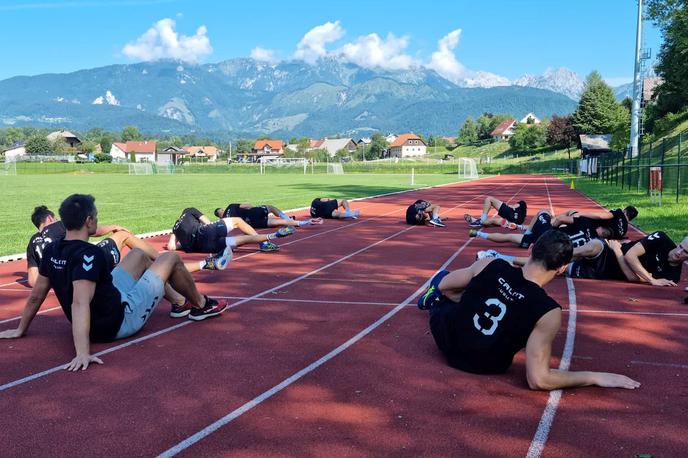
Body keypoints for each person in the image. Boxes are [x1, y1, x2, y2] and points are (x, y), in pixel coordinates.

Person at [0, 194, 228, 372]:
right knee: (170, 258)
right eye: (96, 217)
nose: (97, 220)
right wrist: (82, 352)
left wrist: (21, 329)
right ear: (89, 221)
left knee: (138, 255)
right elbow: (80, 303)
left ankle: (178, 302)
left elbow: (37, 294)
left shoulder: (52, 250)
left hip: (108, 301)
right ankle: (200, 305)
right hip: (117, 322)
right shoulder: (89, 254)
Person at [416, 230, 640, 391]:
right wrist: (594, 376)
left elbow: (446, 287)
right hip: (485, 365)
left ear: (532, 249)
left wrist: (474, 296)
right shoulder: (549, 311)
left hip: (447, 339)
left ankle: (432, 300)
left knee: (446, 286)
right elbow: (539, 380)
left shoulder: (492, 263)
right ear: (562, 268)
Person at [26, 206, 214, 289]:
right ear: (50, 218)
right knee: (125, 239)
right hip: (84, 267)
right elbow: (94, 230)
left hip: (64, 278)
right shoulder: (58, 225)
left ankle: (177, 297)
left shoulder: (33, 244)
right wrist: (115, 227)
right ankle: (161, 259)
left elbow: (33, 282)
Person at [567, 231, 687, 286]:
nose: (679, 252)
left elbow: (632, 277)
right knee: (594, 246)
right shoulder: (661, 238)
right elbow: (630, 255)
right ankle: (562, 255)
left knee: (564, 270)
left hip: (604, 270)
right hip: (607, 251)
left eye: (685, 252)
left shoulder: (672, 276)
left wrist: (618, 251)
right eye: (680, 246)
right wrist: (651, 279)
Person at [166, 207, 294, 257]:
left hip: (201, 246)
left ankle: (272, 236)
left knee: (236, 242)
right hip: (206, 232)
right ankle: (264, 241)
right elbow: (207, 222)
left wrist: (180, 242)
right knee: (237, 221)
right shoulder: (189, 210)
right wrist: (216, 229)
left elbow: (171, 247)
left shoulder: (175, 230)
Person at [469, 210, 612, 249]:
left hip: (547, 234)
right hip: (550, 245)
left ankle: (528, 231)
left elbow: (561, 219)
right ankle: (479, 234)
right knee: (510, 238)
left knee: (542, 211)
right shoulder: (596, 243)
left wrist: (552, 224)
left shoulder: (584, 221)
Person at [214, 203, 322, 229]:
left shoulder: (225, 220)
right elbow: (247, 205)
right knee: (271, 207)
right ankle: (288, 218)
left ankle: (305, 222)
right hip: (253, 213)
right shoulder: (231, 206)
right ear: (222, 209)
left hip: (252, 224)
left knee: (279, 223)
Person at [556, 205, 638, 239]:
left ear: (625, 211)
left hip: (589, 224)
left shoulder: (619, 212)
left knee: (569, 213)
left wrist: (581, 214)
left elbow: (602, 216)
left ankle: (551, 222)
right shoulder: (624, 231)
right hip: (594, 238)